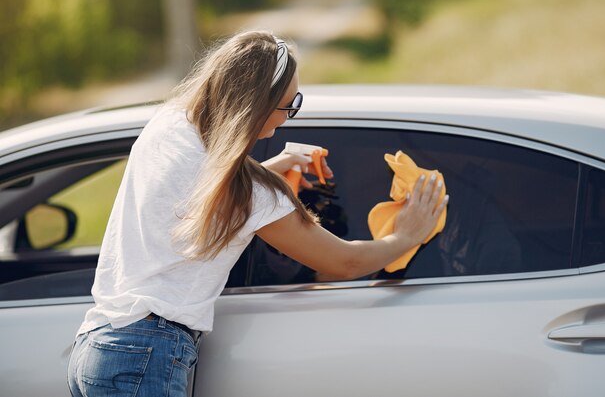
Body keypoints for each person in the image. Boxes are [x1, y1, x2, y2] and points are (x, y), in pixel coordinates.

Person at [67, 30, 448, 397]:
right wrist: (406, 236)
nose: (287, 118)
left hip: (99, 346)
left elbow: (201, 178)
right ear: (256, 105)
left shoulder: (169, 126)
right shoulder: (252, 194)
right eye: (289, 105)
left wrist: (274, 166)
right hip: (146, 355)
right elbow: (344, 262)